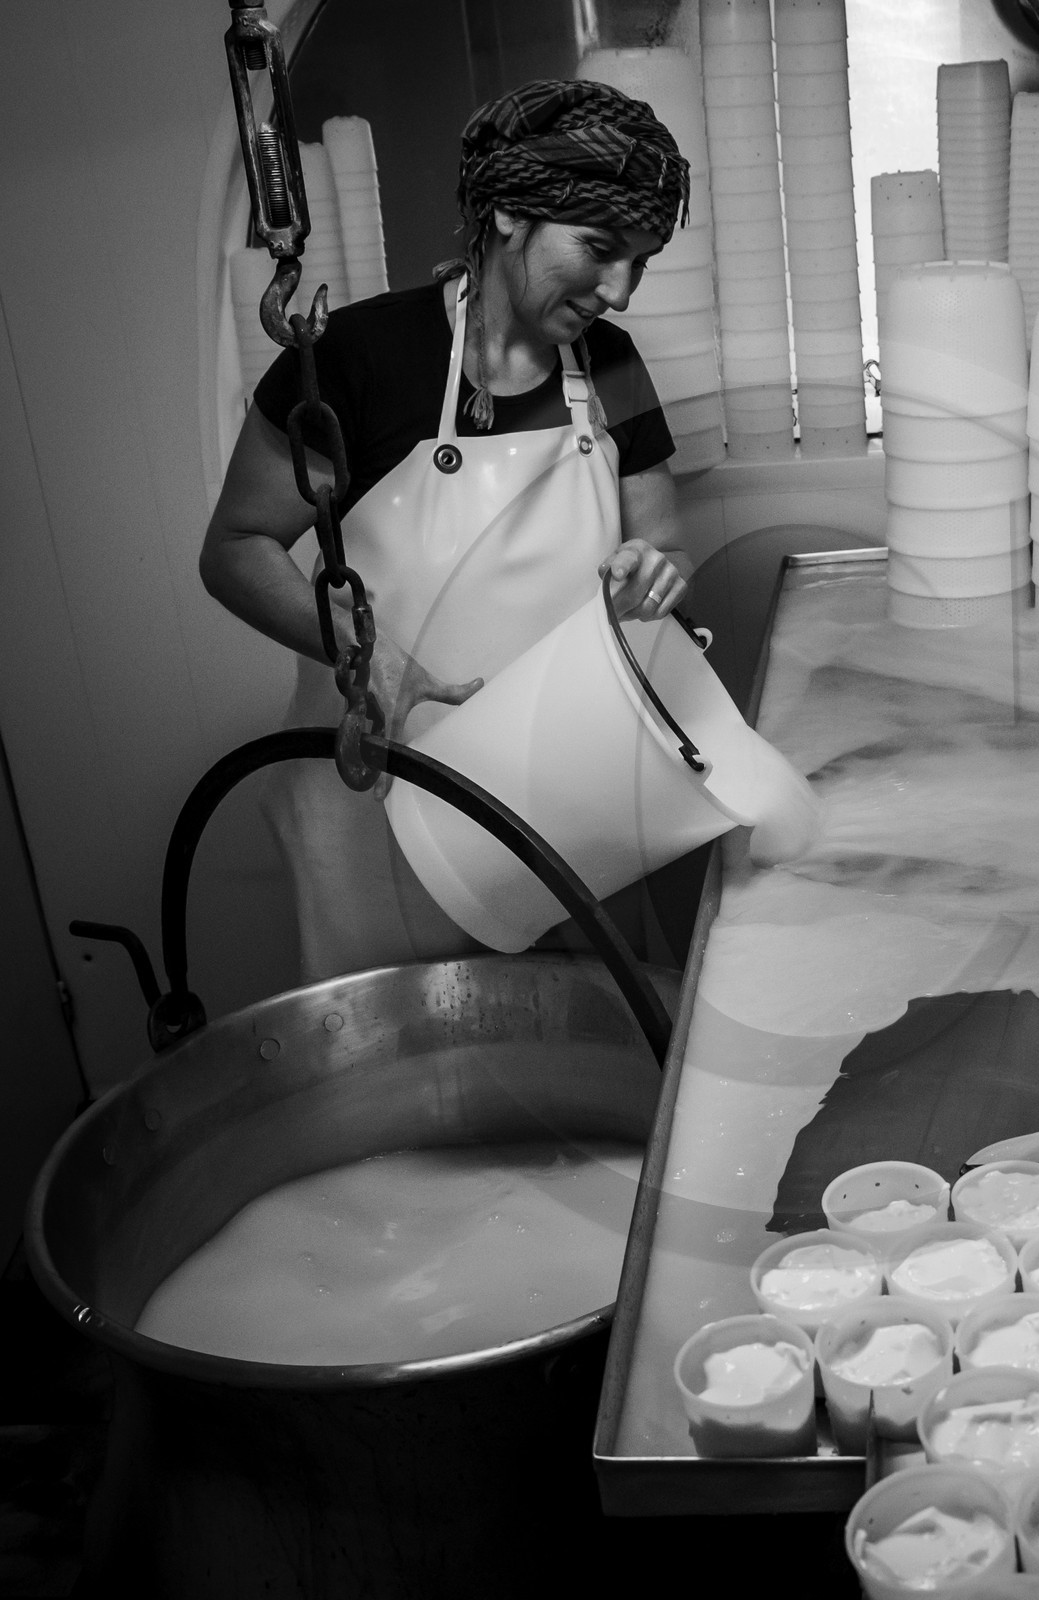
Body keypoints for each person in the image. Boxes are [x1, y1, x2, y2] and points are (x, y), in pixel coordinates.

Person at [200, 79, 693, 982]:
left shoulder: (610, 367)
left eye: (643, 262)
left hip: (558, 804)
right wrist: (367, 654)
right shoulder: (356, 359)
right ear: (508, 211)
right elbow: (234, 550)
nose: (619, 292)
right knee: (402, 1087)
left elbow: (661, 541)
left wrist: (651, 573)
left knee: (573, 1072)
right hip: (376, 808)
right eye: (600, 249)